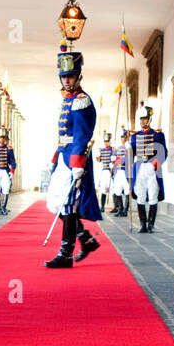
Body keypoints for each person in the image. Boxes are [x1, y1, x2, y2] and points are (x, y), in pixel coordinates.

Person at [45, 46, 102, 267]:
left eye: (70, 76)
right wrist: (55, 157)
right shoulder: (68, 99)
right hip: (64, 157)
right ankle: (85, 239)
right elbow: (64, 135)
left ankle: (65, 254)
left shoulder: (81, 100)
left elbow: (81, 134)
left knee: (67, 205)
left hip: (74, 161)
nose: (67, 80)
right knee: (56, 203)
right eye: (64, 76)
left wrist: (77, 163)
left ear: (78, 76)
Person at [130, 104, 167, 233]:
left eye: (145, 118)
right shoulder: (134, 136)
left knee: (153, 195)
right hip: (140, 167)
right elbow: (131, 154)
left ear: (149, 119)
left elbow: (163, 152)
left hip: (153, 167)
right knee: (140, 195)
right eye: (141, 119)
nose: (142, 121)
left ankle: (151, 224)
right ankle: (142, 224)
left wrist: (157, 163)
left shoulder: (157, 135)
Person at [0, 129, 16, 215]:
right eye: (1, 137)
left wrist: (12, 171)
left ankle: (3, 207)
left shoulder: (9, 148)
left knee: (6, 189)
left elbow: (12, 161)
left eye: (4, 138)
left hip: (5, 171)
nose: (2, 139)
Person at [109, 129, 131, 216]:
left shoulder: (129, 147)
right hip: (118, 171)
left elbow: (127, 159)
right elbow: (115, 160)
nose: (123, 138)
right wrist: (113, 164)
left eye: (124, 137)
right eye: (122, 137)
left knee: (127, 190)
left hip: (125, 171)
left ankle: (125, 209)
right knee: (117, 190)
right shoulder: (117, 148)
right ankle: (120, 209)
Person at [96, 132, 114, 212]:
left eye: (108, 141)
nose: (106, 143)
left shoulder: (112, 150)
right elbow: (99, 160)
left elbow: (115, 160)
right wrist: (98, 154)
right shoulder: (102, 150)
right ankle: (102, 206)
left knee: (113, 189)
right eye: (105, 141)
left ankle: (116, 206)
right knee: (103, 188)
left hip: (110, 171)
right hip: (104, 171)